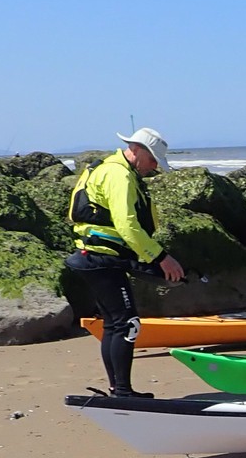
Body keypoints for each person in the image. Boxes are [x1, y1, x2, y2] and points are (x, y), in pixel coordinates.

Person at [66, 127, 184, 398]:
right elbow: (126, 225)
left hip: (96, 257)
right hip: (101, 259)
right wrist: (161, 257)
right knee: (128, 324)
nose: (154, 168)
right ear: (138, 151)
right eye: (154, 160)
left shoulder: (110, 168)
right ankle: (122, 391)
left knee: (114, 323)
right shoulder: (120, 175)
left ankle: (118, 388)